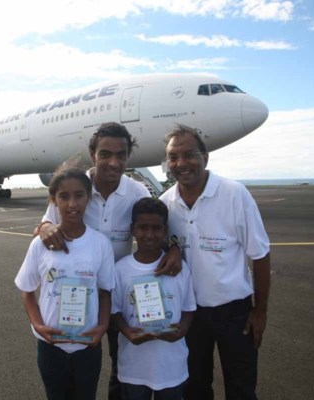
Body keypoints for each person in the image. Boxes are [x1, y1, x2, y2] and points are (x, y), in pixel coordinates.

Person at [36, 122, 183, 400]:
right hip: (78, 295)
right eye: (105, 154)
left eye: (121, 154)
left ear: (128, 156)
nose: (113, 162)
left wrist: (174, 248)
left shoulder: (137, 192)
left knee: (122, 366)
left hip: (120, 295)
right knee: (76, 369)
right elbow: (47, 223)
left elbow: (158, 227)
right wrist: (43, 227)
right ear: (93, 154)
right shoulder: (76, 187)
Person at [159, 124, 271, 400]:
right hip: (190, 313)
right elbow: (161, 244)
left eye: (189, 154)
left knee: (242, 387)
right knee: (195, 387)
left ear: (205, 157)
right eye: (173, 157)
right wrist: (171, 247)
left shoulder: (234, 194)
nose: (181, 163)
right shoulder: (165, 203)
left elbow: (260, 255)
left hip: (235, 313)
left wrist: (260, 312)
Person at [15, 167, 115, 400]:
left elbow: (105, 292)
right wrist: (39, 326)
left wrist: (101, 327)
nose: (72, 204)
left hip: (87, 345)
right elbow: (27, 291)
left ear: (88, 198)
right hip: (51, 346)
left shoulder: (100, 244)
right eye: (64, 196)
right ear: (53, 200)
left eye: (79, 195)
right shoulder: (40, 245)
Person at [112, 198, 196, 400]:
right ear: (133, 229)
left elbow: (189, 307)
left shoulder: (178, 268)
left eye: (156, 228)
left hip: (171, 366)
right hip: (134, 367)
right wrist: (127, 332)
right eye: (142, 228)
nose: (149, 235)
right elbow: (113, 310)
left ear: (165, 230)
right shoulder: (121, 269)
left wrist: (182, 330)